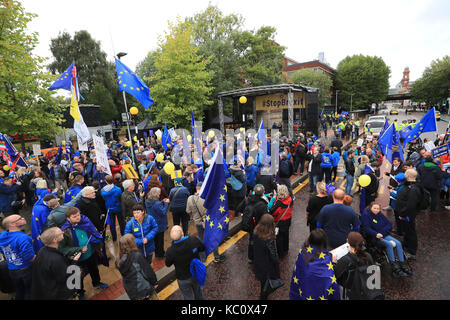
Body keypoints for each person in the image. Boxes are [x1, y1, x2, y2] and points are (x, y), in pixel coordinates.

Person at [59, 207, 108, 299]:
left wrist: (98, 243)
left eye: (78, 215)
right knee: (77, 276)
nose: (78, 218)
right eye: (74, 216)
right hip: (77, 258)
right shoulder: (64, 231)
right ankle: (80, 292)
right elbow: (62, 248)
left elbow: (93, 233)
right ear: (68, 219)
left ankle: (96, 283)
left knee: (94, 270)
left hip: (91, 253)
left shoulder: (85, 222)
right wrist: (78, 249)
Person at [361, 203, 412, 278]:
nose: (376, 210)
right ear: (370, 207)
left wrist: (381, 231)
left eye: (378, 209)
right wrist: (376, 233)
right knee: (389, 244)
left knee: (398, 243)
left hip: (383, 234)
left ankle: (402, 264)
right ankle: (394, 267)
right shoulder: (366, 215)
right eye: (375, 208)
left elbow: (389, 224)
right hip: (374, 237)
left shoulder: (380, 214)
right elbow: (366, 228)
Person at [289, 229, 340, 300]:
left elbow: (298, 271)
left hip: (304, 290)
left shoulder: (303, 252)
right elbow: (329, 279)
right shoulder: (326, 258)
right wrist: (333, 263)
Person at [31, 227, 78, 300]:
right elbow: (64, 277)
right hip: (59, 294)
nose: (63, 233)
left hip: (46, 290)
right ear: (54, 240)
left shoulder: (42, 251)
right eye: (60, 233)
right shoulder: (56, 259)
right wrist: (74, 264)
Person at [186, 181, 223, 263]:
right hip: (209, 222)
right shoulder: (208, 197)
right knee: (213, 238)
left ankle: (203, 258)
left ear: (196, 188)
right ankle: (216, 256)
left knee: (201, 239)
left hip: (198, 222)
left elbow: (188, 211)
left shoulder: (190, 198)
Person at [165, 225, 205, 300]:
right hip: (195, 273)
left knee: (188, 297)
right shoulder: (193, 240)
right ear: (182, 234)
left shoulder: (170, 251)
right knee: (198, 293)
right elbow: (202, 248)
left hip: (182, 278)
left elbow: (168, 264)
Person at [0, 214, 35, 300]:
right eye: (20, 218)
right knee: (30, 292)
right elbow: (29, 258)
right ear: (12, 224)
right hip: (26, 270)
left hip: (12, 270)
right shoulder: (23, 237)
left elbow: (2, 251)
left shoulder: (2, 236)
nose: (23, 218)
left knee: (19, 291)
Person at [116, 233, 159, 300]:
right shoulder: (137, 256)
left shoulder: (118, 259)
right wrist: (154, 282)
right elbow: (147, 272)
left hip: (131, 291)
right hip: (144, 289)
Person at [333, 231, 375, 299]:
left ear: (348, 241)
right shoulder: (368, 256)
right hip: (367, 291)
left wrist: (334, 262)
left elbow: (334, 275)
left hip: (350, 293)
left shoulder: (345, 260)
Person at [395, 169, 422, 260]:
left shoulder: (413, 189)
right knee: (406, 230)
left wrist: (402, 214)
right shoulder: (410, 185)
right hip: (405, 214)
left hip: (408, 215)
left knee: (411, 232)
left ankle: (412, 251)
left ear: (408, 176)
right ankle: (406, 244)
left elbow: (410, 205)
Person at [252, 214, 281, 300]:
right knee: (266, 285)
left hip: (258, 263)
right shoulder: (269, 239)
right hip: (267, 266)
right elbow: (274, 256)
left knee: (262, 282)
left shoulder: (256, 232)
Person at [243, 184, 269, 263]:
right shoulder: (263, 204)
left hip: (250, 225)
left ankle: (251, 257)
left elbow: (239, 208)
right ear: (263, 193)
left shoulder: (248, 199)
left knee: (251, 240)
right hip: (259, 226)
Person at [269, 184, 293, 258]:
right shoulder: (290, 199)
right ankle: (286, 249)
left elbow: (272, 212)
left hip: (280, 222)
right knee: (286, 235)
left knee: (279, 238)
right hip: (288, 220)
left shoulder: (279, 203)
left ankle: (280, 254)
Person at [145, 187, 169, 259]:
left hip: (152, 223)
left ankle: (157, 253)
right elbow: (163, 212)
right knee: (160, 240)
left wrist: (162, 202)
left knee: (155, 239)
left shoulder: (147, 201)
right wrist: (166, 204)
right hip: (160, 223)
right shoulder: (157, 204)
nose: (159, 195)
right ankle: (161, 254)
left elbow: (156, 207)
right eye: (159, 193)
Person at [101, 175, 125, 242]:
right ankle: (123, 235)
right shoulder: (118, 189)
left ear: (106, 181)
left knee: (112, 224)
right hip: (118, 207)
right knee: (121, 222)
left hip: (109, 208)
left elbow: (103, 199)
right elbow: (120, 198)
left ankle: (114, 238)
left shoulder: (103, 190)